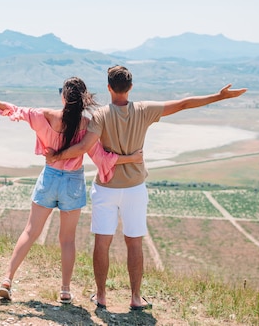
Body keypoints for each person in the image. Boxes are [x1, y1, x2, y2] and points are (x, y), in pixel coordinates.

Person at [46, 65, 247, 311]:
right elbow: (184, 104)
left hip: (107, 188)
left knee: (102, 242)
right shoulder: (144, 110)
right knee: (135, 242)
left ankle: (101, 297)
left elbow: (82, 148)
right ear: (130, 87)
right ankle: (135, 297)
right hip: (135, 188)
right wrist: (218, 96)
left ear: (109, 88)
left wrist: (56, 156)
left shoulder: (100, 115)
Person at [0, 77, 143, 304]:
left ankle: (7, 279)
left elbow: (13, 109)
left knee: (30, 232)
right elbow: (102, 157)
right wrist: (132, 158)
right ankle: (65, 290)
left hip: (49, 178)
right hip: (73, 183)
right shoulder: (88, 124)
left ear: (64, 97)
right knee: (67, 240)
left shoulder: (44, 116)